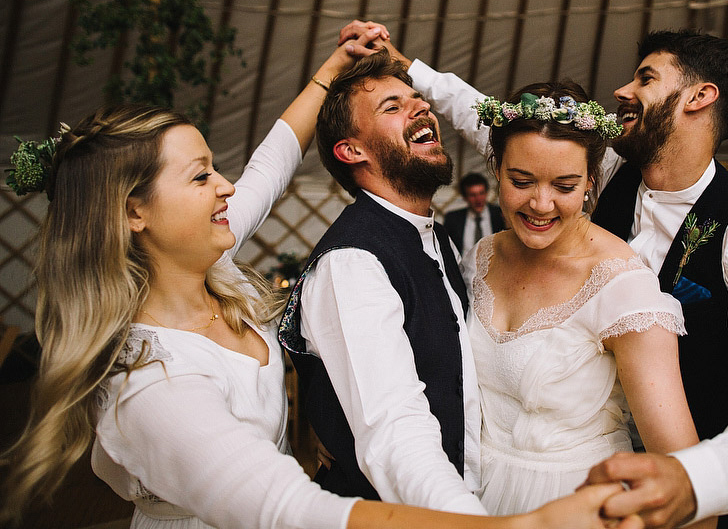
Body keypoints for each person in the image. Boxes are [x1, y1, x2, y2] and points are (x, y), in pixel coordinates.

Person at [0, 35, 625, 529]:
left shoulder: (208, 268)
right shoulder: (156, 379)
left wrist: (334, 68)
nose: (226, 186)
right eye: (201, 177)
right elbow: (307, 489)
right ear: (134, 213)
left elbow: (271, 166)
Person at [338, 21, 728, 529]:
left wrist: (698, 480)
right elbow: (510, 133)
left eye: (645, 78)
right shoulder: (605, 174)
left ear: (699, 96)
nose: (622, 90)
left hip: (698, 507)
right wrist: (405, 67)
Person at [463, 83, 711, 525]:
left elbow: (682, 477)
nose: (541, 204)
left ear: (591, 183)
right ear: (496, 170)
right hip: (470, 493)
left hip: (577, 502)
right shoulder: (483, 256)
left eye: (565, 185)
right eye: (521, 181)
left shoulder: (622, 287)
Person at [278, 50, 487, 514]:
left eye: (417, 99)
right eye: (392, 107)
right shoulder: (353, 263)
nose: (422, 107)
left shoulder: (439, 239)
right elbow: (393, 429)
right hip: (396, 514)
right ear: (352, 150)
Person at [443, 172, 506, 254]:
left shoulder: (500, 214)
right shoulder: (453, 218)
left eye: (481, 193)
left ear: (487, 193)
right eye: (473, 195)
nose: (478, 199)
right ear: (465, 197)